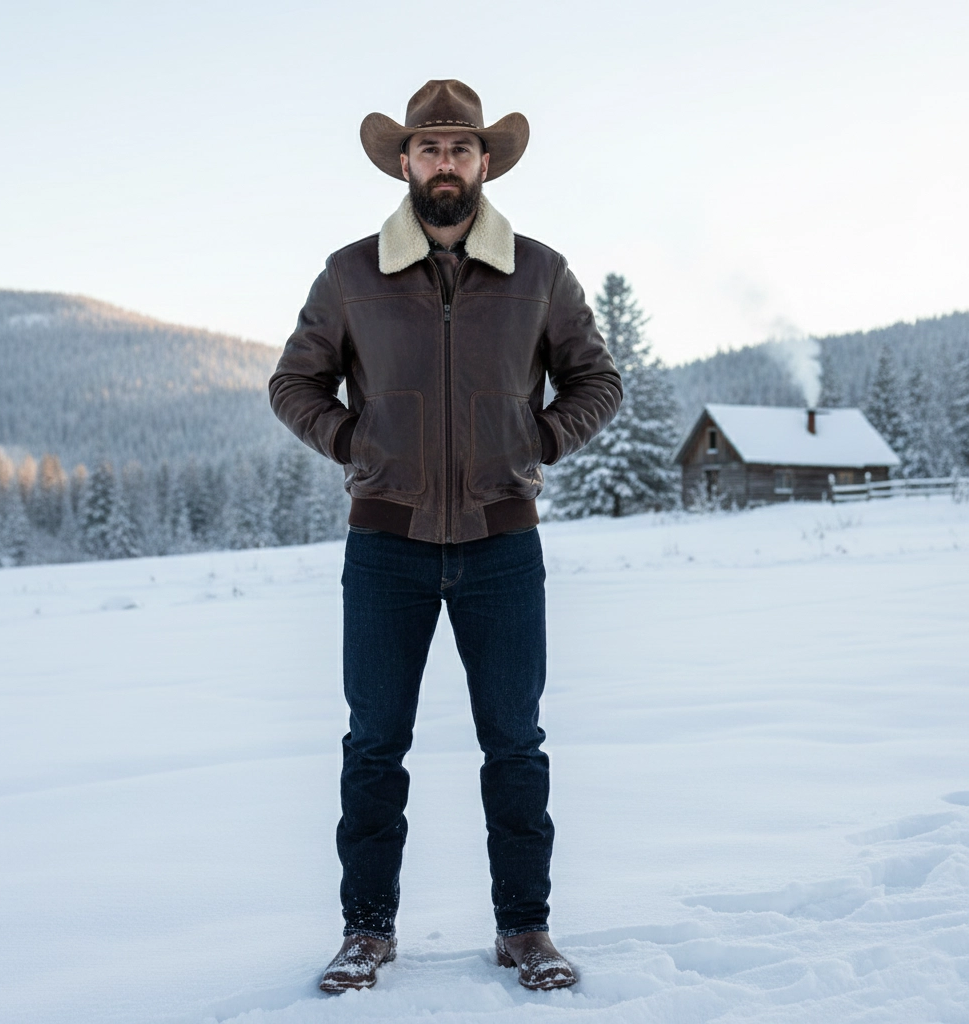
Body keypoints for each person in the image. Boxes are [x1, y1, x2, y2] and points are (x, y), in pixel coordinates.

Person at [269, 79, 622, 993]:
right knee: (374, 745)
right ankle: (367, 931)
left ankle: (526, 930)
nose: (445, 164)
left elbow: (598, 381)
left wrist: (535, 439)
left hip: (504, 545)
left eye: (460, 149)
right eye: (428, 149)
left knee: (515, 743)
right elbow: (293, 385)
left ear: (485, 162)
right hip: (386, 544)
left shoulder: (538, 272)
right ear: (404, 163)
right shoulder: (352, 274)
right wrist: (355, 442)